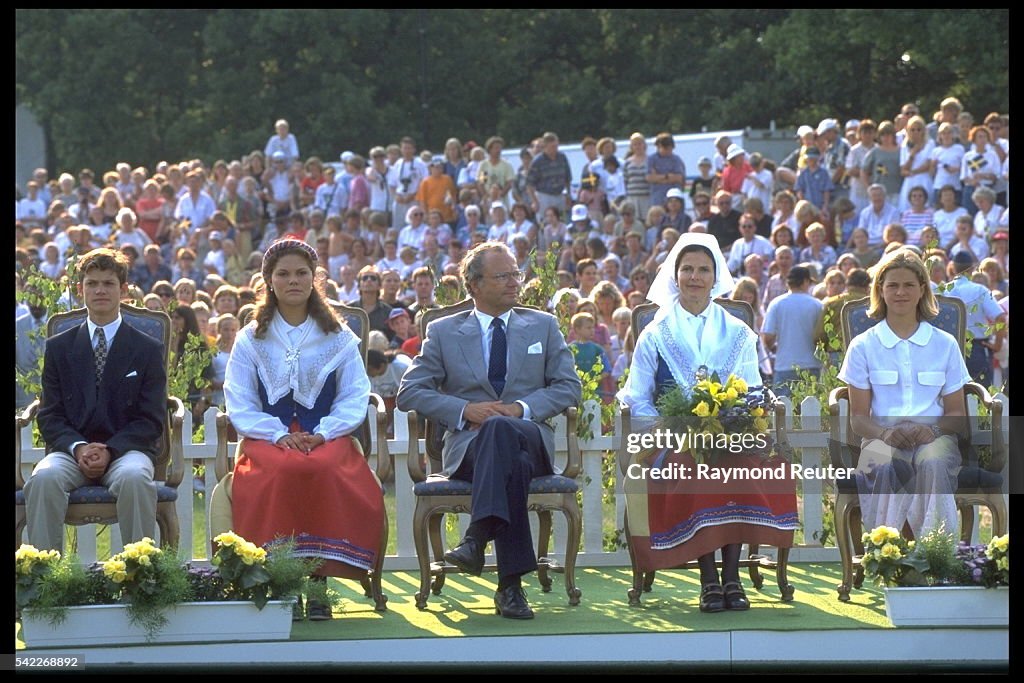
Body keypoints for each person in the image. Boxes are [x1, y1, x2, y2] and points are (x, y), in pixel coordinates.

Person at [396, 241, 582, 620]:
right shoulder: (444, 331)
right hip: (470, 450)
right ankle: (509, 587)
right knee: (500, 445)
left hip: (531, 440)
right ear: (475, 284)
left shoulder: (543, 326)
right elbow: (409, 391)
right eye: (503, 276)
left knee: (502, 429)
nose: (516, 282)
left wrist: (521, 409)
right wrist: (465, 410)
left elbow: (569, 387)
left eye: (517, 274)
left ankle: (475, 539)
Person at [616, 231, 798, 613]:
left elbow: (751, 393)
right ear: (675, 275)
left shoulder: (738, 333)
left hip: (730, 437)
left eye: (703, 270)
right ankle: (709, 580)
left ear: (715, 277)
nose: (695, 277)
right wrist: (675, 429)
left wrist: (732, 429)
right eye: (687, 269)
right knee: (693, 467)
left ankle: (731, 577)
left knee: (740, 464)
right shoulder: (655, 332)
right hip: (670, 438)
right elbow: (637, 397)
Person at [223, 238, 385, 620]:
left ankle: (318, 582)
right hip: (267, 438)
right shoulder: (250, 339)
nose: (293, 280)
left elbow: (354, 395)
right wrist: (277, 433)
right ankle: (283, 580)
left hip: (326, 435)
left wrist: (326, 431)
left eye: (301, 273)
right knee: (286, 467)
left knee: (319, 466)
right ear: (269, 280)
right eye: (283, 274)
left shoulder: (339, 337)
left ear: (314, 279)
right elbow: (240, 400)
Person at [25, 248, 166, 552]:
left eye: (108, 283)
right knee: (43, 479)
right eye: (92, 283)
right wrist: (78, 448)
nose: (100, 290)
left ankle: (139, 578)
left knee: (135, 479)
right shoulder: (58, 348)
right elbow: (50, 415)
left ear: (123, 289)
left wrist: (110, 450)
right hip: (71, 451)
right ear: (81, 290)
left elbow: (151, 419)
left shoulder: (147, 349)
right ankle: (44, 583)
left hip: (127, 450)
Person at [837, 249, 970, 541]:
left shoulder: (944, 345)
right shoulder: (863, 346)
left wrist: (932, 430)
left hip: (936, 439)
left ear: (922, 289)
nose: (901, 292)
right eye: (892, 285)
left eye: (909, 285)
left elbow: (957, 415)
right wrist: (884, 434)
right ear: (880, 290)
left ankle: (936, 557)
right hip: (880, 439)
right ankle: (890, 555)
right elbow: (859, 419)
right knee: (885, 463)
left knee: (932, 463)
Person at [945, 250, 1006, 387]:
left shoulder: (941, 290)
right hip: (976, 349)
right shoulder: (979, 290)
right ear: (972, 268)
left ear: (953, 267)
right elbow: (1000, 317)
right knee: (981, 397)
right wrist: (998, 344)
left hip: (947, 349)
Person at [762, 265, 822, 395]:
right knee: (812, 410)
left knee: (782, 410)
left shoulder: (776, 304)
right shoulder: (817, 305)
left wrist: (774, 348)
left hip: (784, 364)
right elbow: (822, 337)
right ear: (805, 281)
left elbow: (768, 337)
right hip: (811, 364)